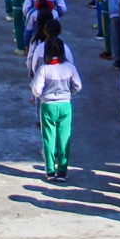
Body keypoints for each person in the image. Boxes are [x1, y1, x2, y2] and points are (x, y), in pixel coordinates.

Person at [30, 35, 81, 180]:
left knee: (48, 138)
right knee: (64, 138)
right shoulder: (70, 68)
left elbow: (36, 89)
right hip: (65, 105)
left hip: (48, 106)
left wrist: (42, 95)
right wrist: (68, 93)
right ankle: (63, 171)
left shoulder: (44, 69)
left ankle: (50, 171)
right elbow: (78, 86)